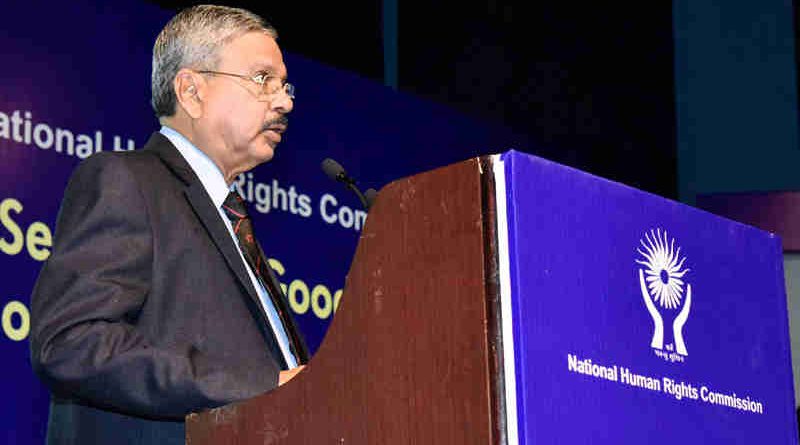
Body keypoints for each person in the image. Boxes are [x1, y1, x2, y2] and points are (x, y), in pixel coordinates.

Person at [29, 5, 307, 444]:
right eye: (262, 79)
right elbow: (70, 341)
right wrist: (263, 385)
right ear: (191, 91)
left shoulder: (231, 218)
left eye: (284, 84)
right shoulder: (127, 181)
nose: (284, 100)